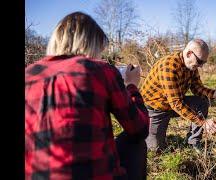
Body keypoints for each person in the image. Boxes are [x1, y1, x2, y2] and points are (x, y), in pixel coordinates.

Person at [25, 12, 149, 180]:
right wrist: (131, 86)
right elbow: (139, 129)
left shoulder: (28, 74)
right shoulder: (101, 70)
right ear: (91, 44)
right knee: (134, 143)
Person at [140, 39, 216, 153]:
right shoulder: (169, 67)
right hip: (156, 108)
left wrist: (215, 93)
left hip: (173, 103)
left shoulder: (191, 66)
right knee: (156, 150)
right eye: (200, 61)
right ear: (189, 54)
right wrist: (203, 123)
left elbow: (197, 88)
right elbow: (176, 103)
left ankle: (193, 142)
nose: (201, 66)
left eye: (203, 63)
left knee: (201, 102)